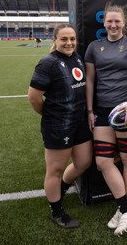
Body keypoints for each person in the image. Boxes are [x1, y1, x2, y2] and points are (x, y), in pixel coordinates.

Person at [85, 3, 127, 236]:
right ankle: (126, 209)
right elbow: (90, 80)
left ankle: (124, 209)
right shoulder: (94, 46)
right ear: (104, 22)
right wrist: (90, 110)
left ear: (124, 23)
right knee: (103, 162)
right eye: (109, 21)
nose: (113, 25)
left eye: (117, 21)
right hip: (101, 110)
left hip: (126, 110)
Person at [28, 24, 92, 228]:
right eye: (64, 39)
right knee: (55, 169)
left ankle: (62, 187)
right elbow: (34, 97)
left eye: (72, 39)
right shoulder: (48, 63)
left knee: (83, 163)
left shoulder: (77, 58)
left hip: (79, 121)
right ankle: (57, 211)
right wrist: (50, 115)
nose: (69, 43)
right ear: (55, 40)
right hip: (58, 124)